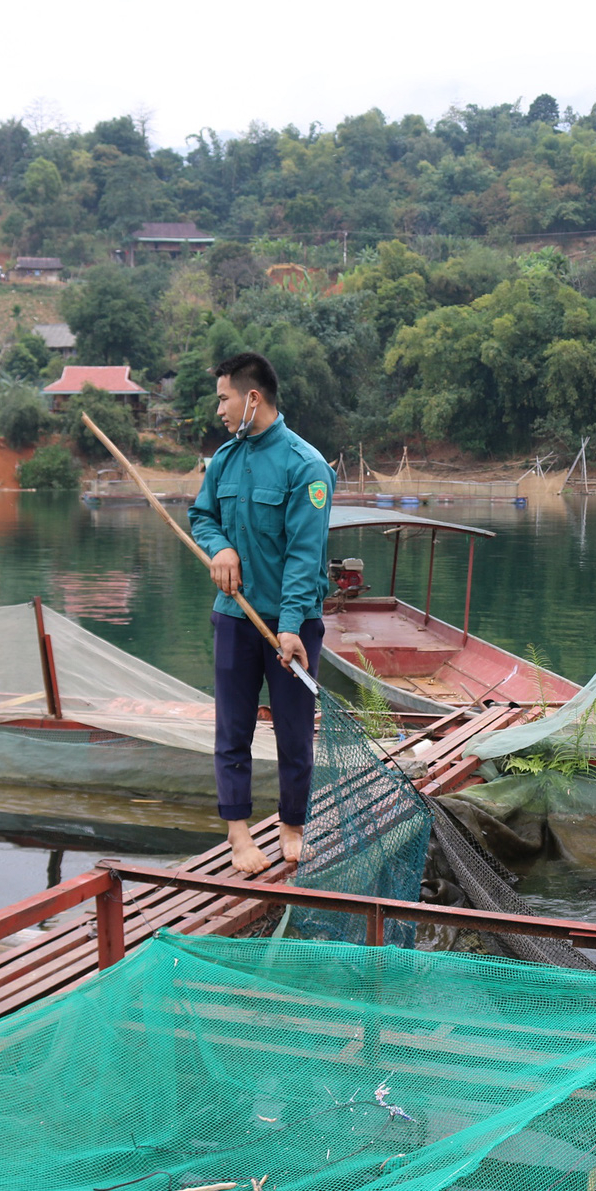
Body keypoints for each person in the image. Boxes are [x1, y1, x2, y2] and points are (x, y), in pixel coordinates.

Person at [187, 352, 335, 874]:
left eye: (224, 397)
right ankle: (239, 834)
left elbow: (304, 554)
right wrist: (220, 547)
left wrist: (291, 626)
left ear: (252, 398)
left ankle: (292, 827)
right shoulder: (225, 459)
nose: (219, 409)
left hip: (291, 625)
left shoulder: (306, 467)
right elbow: (201, 516)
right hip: (234, 617)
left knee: (294, 730)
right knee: (233, 730)